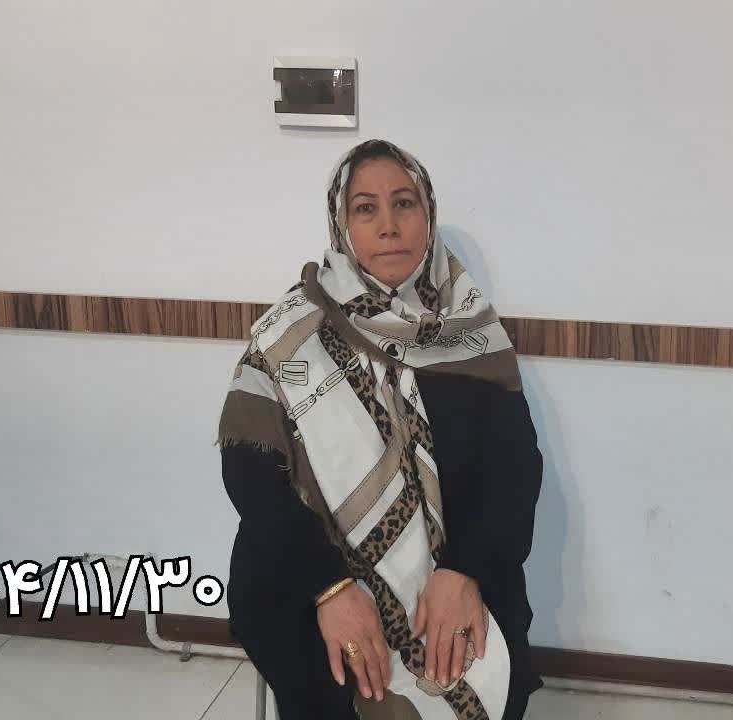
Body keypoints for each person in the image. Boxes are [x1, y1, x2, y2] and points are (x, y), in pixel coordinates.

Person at [216, 139, 544, 719]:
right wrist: (330, 588)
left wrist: (464, 570)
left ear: (428, 215)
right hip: (310, 571)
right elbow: (250, 474)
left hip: (458, 562)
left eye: (404, 203)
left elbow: (514, 468)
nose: (389, 226)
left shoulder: (468, 326)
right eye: (366, 208)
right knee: (329, 682)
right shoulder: (291, 334)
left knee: (489, 662)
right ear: (342, 225)